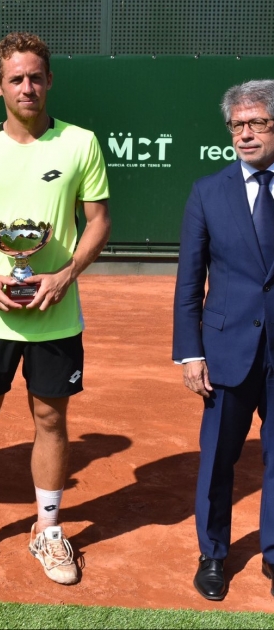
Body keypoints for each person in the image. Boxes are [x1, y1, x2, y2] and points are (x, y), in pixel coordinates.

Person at [0, 32, 111, 585]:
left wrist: (65, 274)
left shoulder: (81, 143)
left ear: (49, 80)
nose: (27, 87)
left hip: (56, 313)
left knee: (51, 418)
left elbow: (99, 220)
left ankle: (50, 530)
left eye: (36, 76)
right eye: (16, 78)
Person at [173, 79, 274, 601]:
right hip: (227, 351)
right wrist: (191, 353)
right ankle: (213, 554)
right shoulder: (208, 192)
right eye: (237, 125)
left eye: (257, 122)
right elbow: (190, 283)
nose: (245, 134)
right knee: (217, 459)